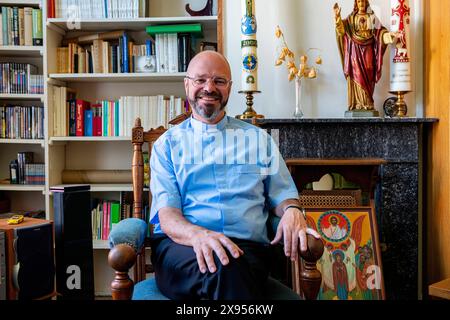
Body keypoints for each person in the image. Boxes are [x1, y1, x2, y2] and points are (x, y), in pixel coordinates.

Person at [149, 50, 320, 300]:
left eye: (219, 81)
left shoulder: (258, 140)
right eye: (201, 80)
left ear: (229, 88)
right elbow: (168, 216)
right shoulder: (167, 145)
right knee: (225, 268)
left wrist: (293, 210)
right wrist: (200, 235)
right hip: (183, 248)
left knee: (231, 265)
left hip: (248, 250)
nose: (209, 88)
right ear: (187, 84)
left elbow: (283, 195)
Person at [334, 0, 397, 111]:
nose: (361, 4)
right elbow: (341, 31)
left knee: (369, 71)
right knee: (356, 74)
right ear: (356, 4)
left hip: (368, 50)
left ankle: (368, 102)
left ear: (366, 3)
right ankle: (357, 104)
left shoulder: (372, 17)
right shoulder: (351, 18)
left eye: (363, 1)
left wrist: (387, 36)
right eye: (359, 1)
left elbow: (380, 32)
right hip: (354, 51)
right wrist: (338, 18)